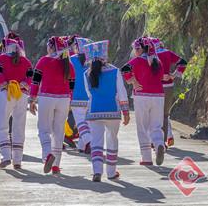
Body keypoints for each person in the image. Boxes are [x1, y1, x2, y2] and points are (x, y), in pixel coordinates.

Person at [82, 39, 130, 183]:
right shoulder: (115, 71)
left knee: (96, 142)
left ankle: (97, 171)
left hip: (94, 111)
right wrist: (126, 112)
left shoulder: (86, 74)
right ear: (105, 55)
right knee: (112, 140)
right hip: (112, 111)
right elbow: (121, 92)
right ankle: (111, 172)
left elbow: (89, 94)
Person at [29, 35, 75, 174]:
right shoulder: (69, 64)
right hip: (64, 100)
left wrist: (32, 99)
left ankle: (48, 154)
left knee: (43, 130)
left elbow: (35, 82)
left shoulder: (43, 61)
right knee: (58, 131)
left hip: (47, 98)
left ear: (51, 47)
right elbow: (72, 86)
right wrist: (69, 102)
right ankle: (56, 165)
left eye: (48, 46)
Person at [121, 36, 165, 166]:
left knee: (142, 127)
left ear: (140, 49)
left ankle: (146, 158)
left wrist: (133, 81)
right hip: (158, 95)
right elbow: (161, 76)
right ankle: (159, 144)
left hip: (141, 95)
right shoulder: (158, 61)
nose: (135, 51)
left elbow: (124, 70)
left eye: (135, 49)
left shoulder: (137, 60)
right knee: (156, 125)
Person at [0, 33, 32, 170]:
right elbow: (30, 78)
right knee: (19, 126)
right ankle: (17, 160)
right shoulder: (26, 61)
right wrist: (23, 85)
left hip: (6, 94)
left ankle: (5, 156)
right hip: (22, 95)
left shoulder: (0, 58)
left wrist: (5, 84)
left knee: (3, 125)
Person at [151, 37, 187, 148]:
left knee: (153, 115)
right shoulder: (167, 53)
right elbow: (183, 63)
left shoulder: (150, 56)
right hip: (168, 87)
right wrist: (173, 74)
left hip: (154, 87)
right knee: (165, 115)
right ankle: (163, 142)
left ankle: (154, 141)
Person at [68, 35, 92, 153]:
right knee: (87, 122)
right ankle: (82, 146)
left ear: (77, 47)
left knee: (81, 123)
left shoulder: (71, 59)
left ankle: (88, 141)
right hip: (90, 96)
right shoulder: (91, 61)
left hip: (76, 96)